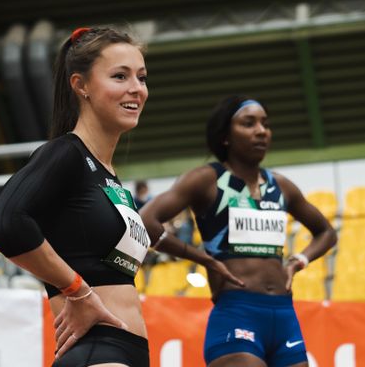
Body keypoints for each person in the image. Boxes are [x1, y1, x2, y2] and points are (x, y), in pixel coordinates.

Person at [0, 27, 239, 367]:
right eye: (120, 76)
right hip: (96, 350)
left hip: (125, 351)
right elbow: (4, 222)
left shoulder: (108, 175)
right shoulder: (65, 154)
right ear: (81, 85)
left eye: (142, 77)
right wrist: (78, 290)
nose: (136, 88)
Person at [140, 95, 337, 367]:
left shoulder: (281, 186)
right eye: (248, 123)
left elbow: (326, 232)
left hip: (284, 315)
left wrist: (296, 262)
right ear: (225, 136)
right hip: (236, 312)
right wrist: (202, 258)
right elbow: (145, 220)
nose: (261, 131)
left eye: (265, 124)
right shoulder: (206, 180)